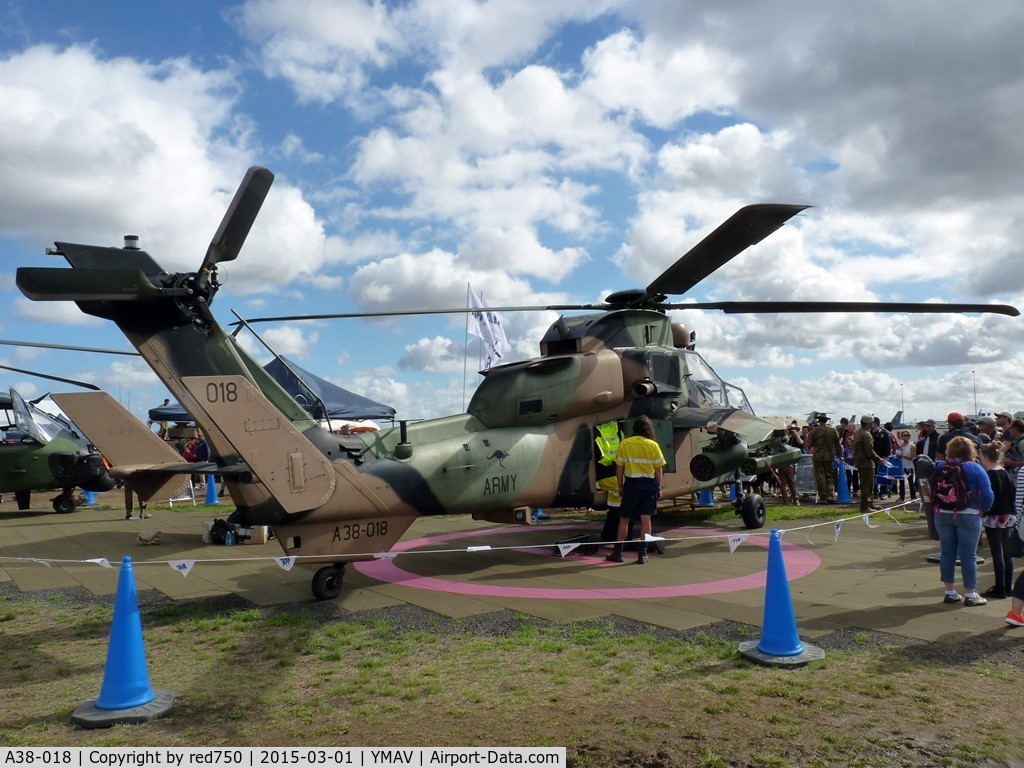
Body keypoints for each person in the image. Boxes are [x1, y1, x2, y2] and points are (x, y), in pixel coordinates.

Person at [934, 436, 994, 606]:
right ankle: (970, 593)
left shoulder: (940, 465)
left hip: (942, 514)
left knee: (947, 553)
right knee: (969, 555)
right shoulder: (975, 468)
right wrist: (982, 510)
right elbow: (988, 495)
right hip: (969, 514)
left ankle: (949, 591)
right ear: (970, 450)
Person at [607, 415, 666, 565]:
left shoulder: (625, 444)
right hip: (649, 486)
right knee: (646, 520)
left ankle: (618, 552)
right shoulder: (653, 445)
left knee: (624, 519)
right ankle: (643, 554)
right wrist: (659, 487)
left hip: (632, 486)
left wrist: (619, 486)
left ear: (634, 428)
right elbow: (658, 470)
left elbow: (619, 468)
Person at [978, 442, 1015, 599]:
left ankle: (1000, 587)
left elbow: (987, 496)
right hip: (1007, 514)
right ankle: (1007, 586)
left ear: (985, 457)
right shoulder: (1004, 472)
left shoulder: (989, 475)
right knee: (1006, 552)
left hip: (994, 515)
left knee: (997, 552)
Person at [852, 415, 885, 513]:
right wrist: (878, 459)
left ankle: (870, 503)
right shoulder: (866, 434)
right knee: (867, 485)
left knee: (866, 484)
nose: (873, 424)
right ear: (868, 424)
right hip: (866, 462)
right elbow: (869, 450)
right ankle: (865, 506)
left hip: (860, 461)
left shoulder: (858, 432)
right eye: (872, 423)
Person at [806, 413, 840, 504]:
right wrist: (840, 455)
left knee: (820, 477)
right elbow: (838, 444)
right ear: (826, 420)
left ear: (819, 420)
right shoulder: (833, 430)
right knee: (829, 476)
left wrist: (809, 450)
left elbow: (809, 444)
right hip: (829, 456)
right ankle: (830, 495)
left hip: (818, 457)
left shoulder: (814, 431)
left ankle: (823, 497)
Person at [777, 421, 802, 505]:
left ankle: (790, 500)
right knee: (788, 483)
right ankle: (792, 500)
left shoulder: (796, 438)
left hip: (787, 464)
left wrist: (795, 434)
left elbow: (801, 442)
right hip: (786, 465)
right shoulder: (785, 441)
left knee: (787, 483)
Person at [894, 429, 917, 501]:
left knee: (911, 482)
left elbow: (912, 457)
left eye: (906, 435)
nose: (905, 437)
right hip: (901, 466)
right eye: (903, 435)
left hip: (909, 466)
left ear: (909, 436)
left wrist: (903, 455)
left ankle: (913, 497)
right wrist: (897, 455)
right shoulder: (900, 445)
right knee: (901, 482)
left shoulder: (912, 446)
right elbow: (896, 454)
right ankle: (902, 497)